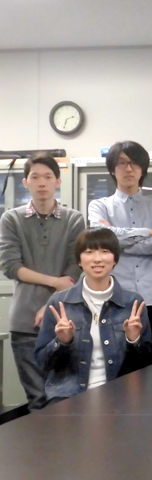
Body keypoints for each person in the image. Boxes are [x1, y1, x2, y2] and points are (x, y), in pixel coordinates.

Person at [0, 152, 85, 410]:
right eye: (35, 177)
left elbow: (75, 266)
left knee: (65, 398)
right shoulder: (11, 219)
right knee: (37, 400)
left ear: (58, 181)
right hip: (25, 322)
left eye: (48, 176)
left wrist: (51, 303)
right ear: (25, 182)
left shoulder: (74, 219)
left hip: (66, 320)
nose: (41, 182)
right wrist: (56, 282)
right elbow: (11, 266)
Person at [34, 228, 152, 405]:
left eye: (105, 251)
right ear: (79, 261)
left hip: (119, 395)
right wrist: (62, 342)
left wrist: (133, 340)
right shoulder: (59, 303)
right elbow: (42, 362)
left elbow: (146, 363)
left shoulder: (133, 303)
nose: (97, 259)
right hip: (68, 396)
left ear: (115, 259)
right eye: (89, 252)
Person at [88, 141, 152, 363]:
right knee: (116, 361)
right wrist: (145, 232)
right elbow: (101, 238)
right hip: (114, 295)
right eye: (122, 163)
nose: (128, 169)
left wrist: (118, 243)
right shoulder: (99, 206)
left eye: (134, 163)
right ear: (112, 169)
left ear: (143, 169)